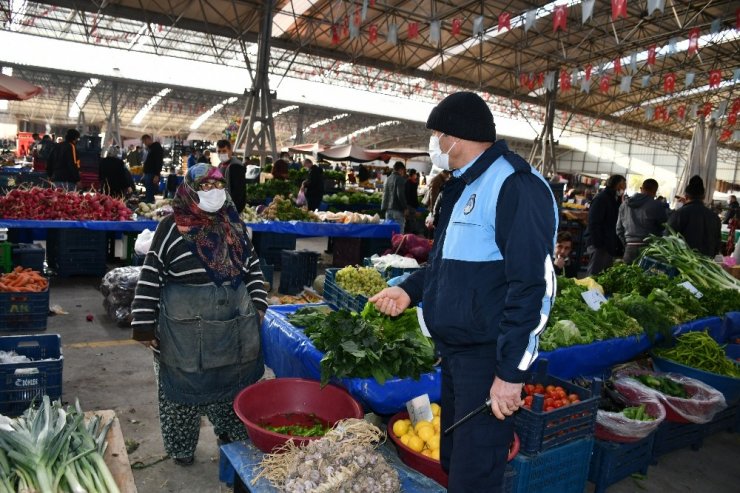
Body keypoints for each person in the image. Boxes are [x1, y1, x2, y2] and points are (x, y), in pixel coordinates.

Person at [369, 91, 557, 492]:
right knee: (457, 459)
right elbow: (444, 262)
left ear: (458, 135)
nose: (435, 143)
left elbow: (532, 287)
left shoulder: (515, 185)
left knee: (476, 471)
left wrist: (510, 373)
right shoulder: (462, 185)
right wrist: (410, 291)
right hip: (456, 354)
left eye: (438, 134)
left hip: (488, 358)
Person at [131, 163, 267, 466]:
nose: (213, 192)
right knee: (181, 392)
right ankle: (182, 447)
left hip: (232, 323)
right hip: (183, 329)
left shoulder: (236, 225)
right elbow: (151, 274)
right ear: (189, 190)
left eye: (217, 185)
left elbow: (253, 268)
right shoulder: (171, 227)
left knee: (230, 384)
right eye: (204, 187)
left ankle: (231, 435)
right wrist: (144, 326)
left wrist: (258, 304)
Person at [616, 178, 668, 264]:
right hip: (649, 249)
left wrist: (627, 243)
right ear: (655, 191)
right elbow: (664, 227)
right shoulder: (657, 206)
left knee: (627, 275)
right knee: (646, 276)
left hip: (629, 248)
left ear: (641, 188)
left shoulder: (624, 205)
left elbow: (619, 229)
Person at [667, 176, 721, 257]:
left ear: (686, 196)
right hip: (706, 265)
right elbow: (717, 244)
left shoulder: (679, 213)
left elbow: (668, 238)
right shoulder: (714, 217)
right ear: (704, 197)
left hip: (684, 263)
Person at [584, 174, 626, 276]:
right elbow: (593, 222)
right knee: (593, 276)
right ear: (618, 185)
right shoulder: (602, 198)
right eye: (624, 185)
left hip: (606, 245)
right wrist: (599, 244)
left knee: (601, 276)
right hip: (600, 245)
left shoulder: (613, 199)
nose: (624, 189)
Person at [381, 161, 408, 232]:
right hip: (398, 210)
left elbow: (384, 194)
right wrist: (405, 208)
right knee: (399, 234)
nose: (403, 173)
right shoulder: (400, 179)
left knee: (389, 233)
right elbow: (400, 194)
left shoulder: (387, 179)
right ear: (401, 170)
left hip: (388, 210)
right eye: (403, 171)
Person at [141, 134, 163, 203]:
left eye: (144, 142)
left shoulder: (156, 147)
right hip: (149, 173)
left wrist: (157, 175)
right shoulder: (150, 148)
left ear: (148, 139)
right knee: (149, 192)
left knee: (150, 192)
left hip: (152, 173)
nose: (144, 144)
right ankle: (149, 204)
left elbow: (159, 161)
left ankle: (149, 205)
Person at [404, 168, 420, 234]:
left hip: (412, 204)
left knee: (412, 219)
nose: (416, 175)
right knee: (412, 219)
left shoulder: (414, 182)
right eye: (415, 174)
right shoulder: (408, 182)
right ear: (413, 175)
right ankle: (413, 233)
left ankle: (412, 232)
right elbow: (408, 194)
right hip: (410, 204)